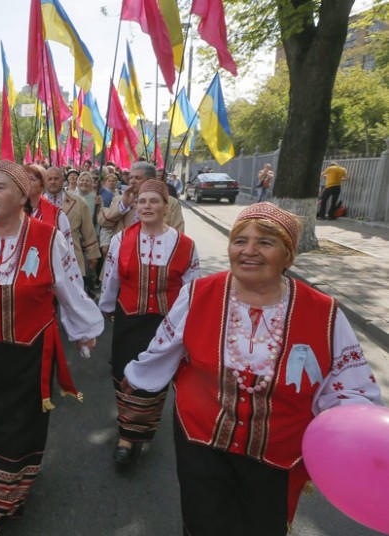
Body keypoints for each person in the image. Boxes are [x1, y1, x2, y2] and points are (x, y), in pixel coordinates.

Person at [122, 202, 383, 535]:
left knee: (263, 525)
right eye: (240, 240)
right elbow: (165, 345)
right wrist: (138, 377)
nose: (249, 251)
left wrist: (359, 443)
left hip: (278, 452)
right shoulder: (199, 294)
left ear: (288, 256)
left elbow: (351, 386)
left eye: (265, 242)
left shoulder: (324, 313)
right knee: (204, 522)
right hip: (201, 438)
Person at [0, 161, 103, 536]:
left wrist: (83, 329)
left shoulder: (47, 237)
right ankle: (11, 481)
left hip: (30, 352)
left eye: (0, 188)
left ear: (23, 195)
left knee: (19, 429)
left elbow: (69, 288)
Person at [99, 180, 200, 465]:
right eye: (142, 201)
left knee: (155, 377)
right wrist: (106, 307)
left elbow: (192, 289)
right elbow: (111, 278)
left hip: (166, 324)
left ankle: (141, 432)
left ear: (166, 208)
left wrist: (189, 325)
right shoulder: (122, 240)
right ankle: (126, 434)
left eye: (153, 201)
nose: (146, 206)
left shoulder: (185, 244)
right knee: (125, 374)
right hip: (129, 319)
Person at [43, 167, 100, 288]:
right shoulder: (35, 202)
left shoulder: (78, 202)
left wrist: (93, 254)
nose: (53, 181)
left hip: (72, 256)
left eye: (56, 178)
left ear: (63, 179)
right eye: (49, 179)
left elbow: (88, 230)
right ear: (44, 180)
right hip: (43, 259)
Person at [98, 161, 185, 236]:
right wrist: (123, 206)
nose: (132, 181)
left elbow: (178, 234)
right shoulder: (119, 200)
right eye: (131, 177)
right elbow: (103, 223)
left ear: (151, 180)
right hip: (126, 252)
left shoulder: (170, 202)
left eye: (137, 178)